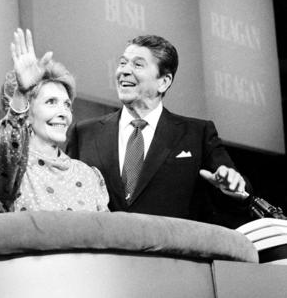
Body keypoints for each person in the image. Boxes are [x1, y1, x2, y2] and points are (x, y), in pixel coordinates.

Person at [67, 34, 252, 228]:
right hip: (103, 254)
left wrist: (233, 188)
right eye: (122, 63)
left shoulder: (197, 134)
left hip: (170, 255)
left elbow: (238, 195)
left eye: (138, 65)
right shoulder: (85, 133)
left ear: (163, 81)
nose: (124, 71)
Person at [0, 28, 109, 213]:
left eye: (67, 105)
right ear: (27, 115)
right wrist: (21, 93)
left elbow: (107, 233)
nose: (63, 113)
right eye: (51, 102)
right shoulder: (16, 170)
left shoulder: (88, 175)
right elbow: (3, 149)